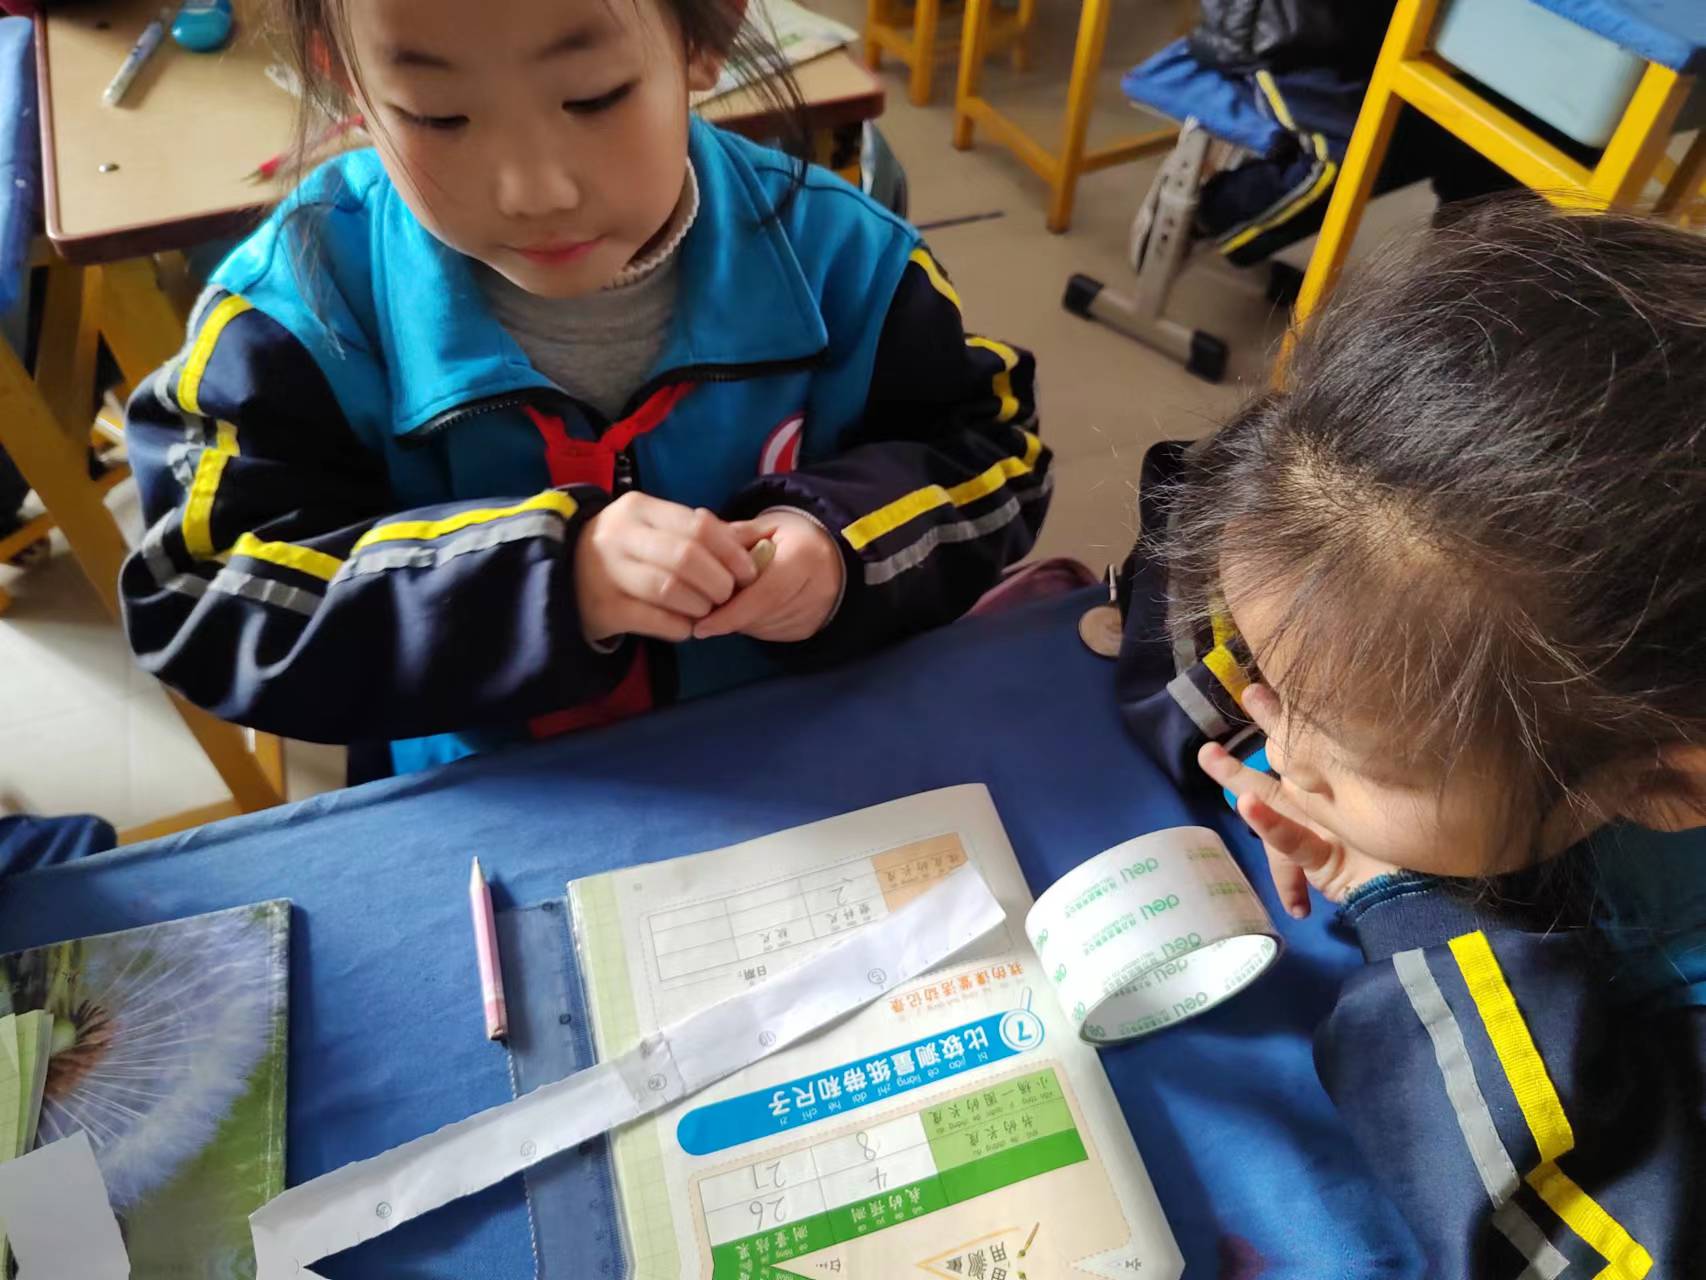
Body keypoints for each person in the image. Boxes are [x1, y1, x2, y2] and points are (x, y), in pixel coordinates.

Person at [120, 0, 1049, 776]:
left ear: (709, 33)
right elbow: (197, 596)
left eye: (594, 97)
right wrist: (550, 580)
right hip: (498, 805)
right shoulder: (295, 314)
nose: (535, 191)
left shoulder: (849, 262)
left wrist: (845, 547)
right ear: (346, 81)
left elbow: (998, 456)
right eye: (438, 116)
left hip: (802, 770)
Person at [1123, 200, 1706, 1273]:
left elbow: (1592, 1247)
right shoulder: (1365, 512)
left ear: (1665, 785)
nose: (1286, 757)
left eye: (1347, 749)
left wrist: (1403, 899)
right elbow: (1238, 555)